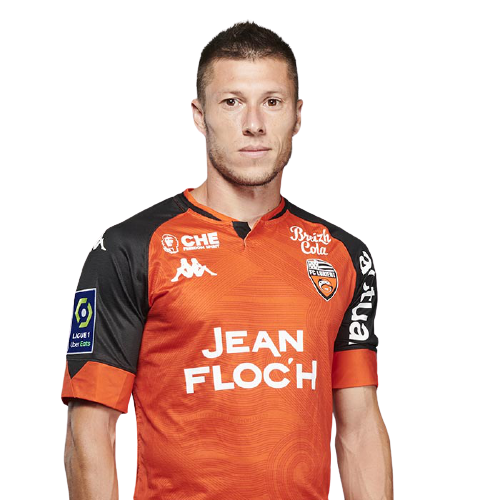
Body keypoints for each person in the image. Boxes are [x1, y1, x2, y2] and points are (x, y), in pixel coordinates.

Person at [61, 19, 393, 500]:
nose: (254, 123)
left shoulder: (344, 255)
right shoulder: (129, 247)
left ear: (297, 116)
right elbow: (89, 429)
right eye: (232, 102)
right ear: (199, 116)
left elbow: (359, 427)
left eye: (272, 102)